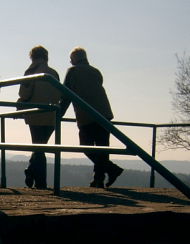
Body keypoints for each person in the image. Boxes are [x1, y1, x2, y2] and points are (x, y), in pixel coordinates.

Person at [60, 47, 124, 188]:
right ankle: (99, 179)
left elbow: (65, 95)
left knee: (86, 147)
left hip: (87, 114)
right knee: (102, 148)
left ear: (74, 59)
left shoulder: (73, 71)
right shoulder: (95, 71)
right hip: (104, 114)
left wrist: (58, 115)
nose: (70, 62)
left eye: (71, 60)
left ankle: (111, 170)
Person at [17, 45, 62, 189]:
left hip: (35, 114)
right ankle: (31, 172)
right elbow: (60, 93)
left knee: (39, 148)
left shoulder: (31, 71)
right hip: (52, 115)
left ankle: (40, 182)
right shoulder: (54, 73)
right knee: (40, 146)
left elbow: (24, 93)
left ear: (33, 57)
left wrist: (20, 105)